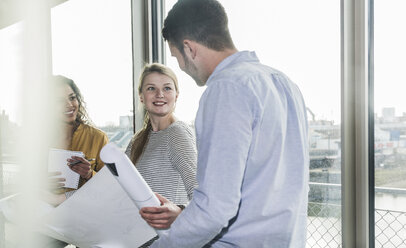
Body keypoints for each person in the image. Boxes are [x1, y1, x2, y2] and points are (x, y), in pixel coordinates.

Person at [142, 0, 310, 247]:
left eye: (176, 56)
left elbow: (215, 208)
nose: (180, 65)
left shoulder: (226, 89)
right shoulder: (283, 83)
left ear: (189, 48)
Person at [125, 63, 197, 234]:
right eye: (151, 88)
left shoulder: (177, 134)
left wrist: (180, 212)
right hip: (140, 239)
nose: (160, 95)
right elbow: (115, 185)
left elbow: (199, 191)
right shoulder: (138, 140)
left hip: (168, 239)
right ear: (141, 96)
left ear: (176, 95)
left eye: (167, 88)